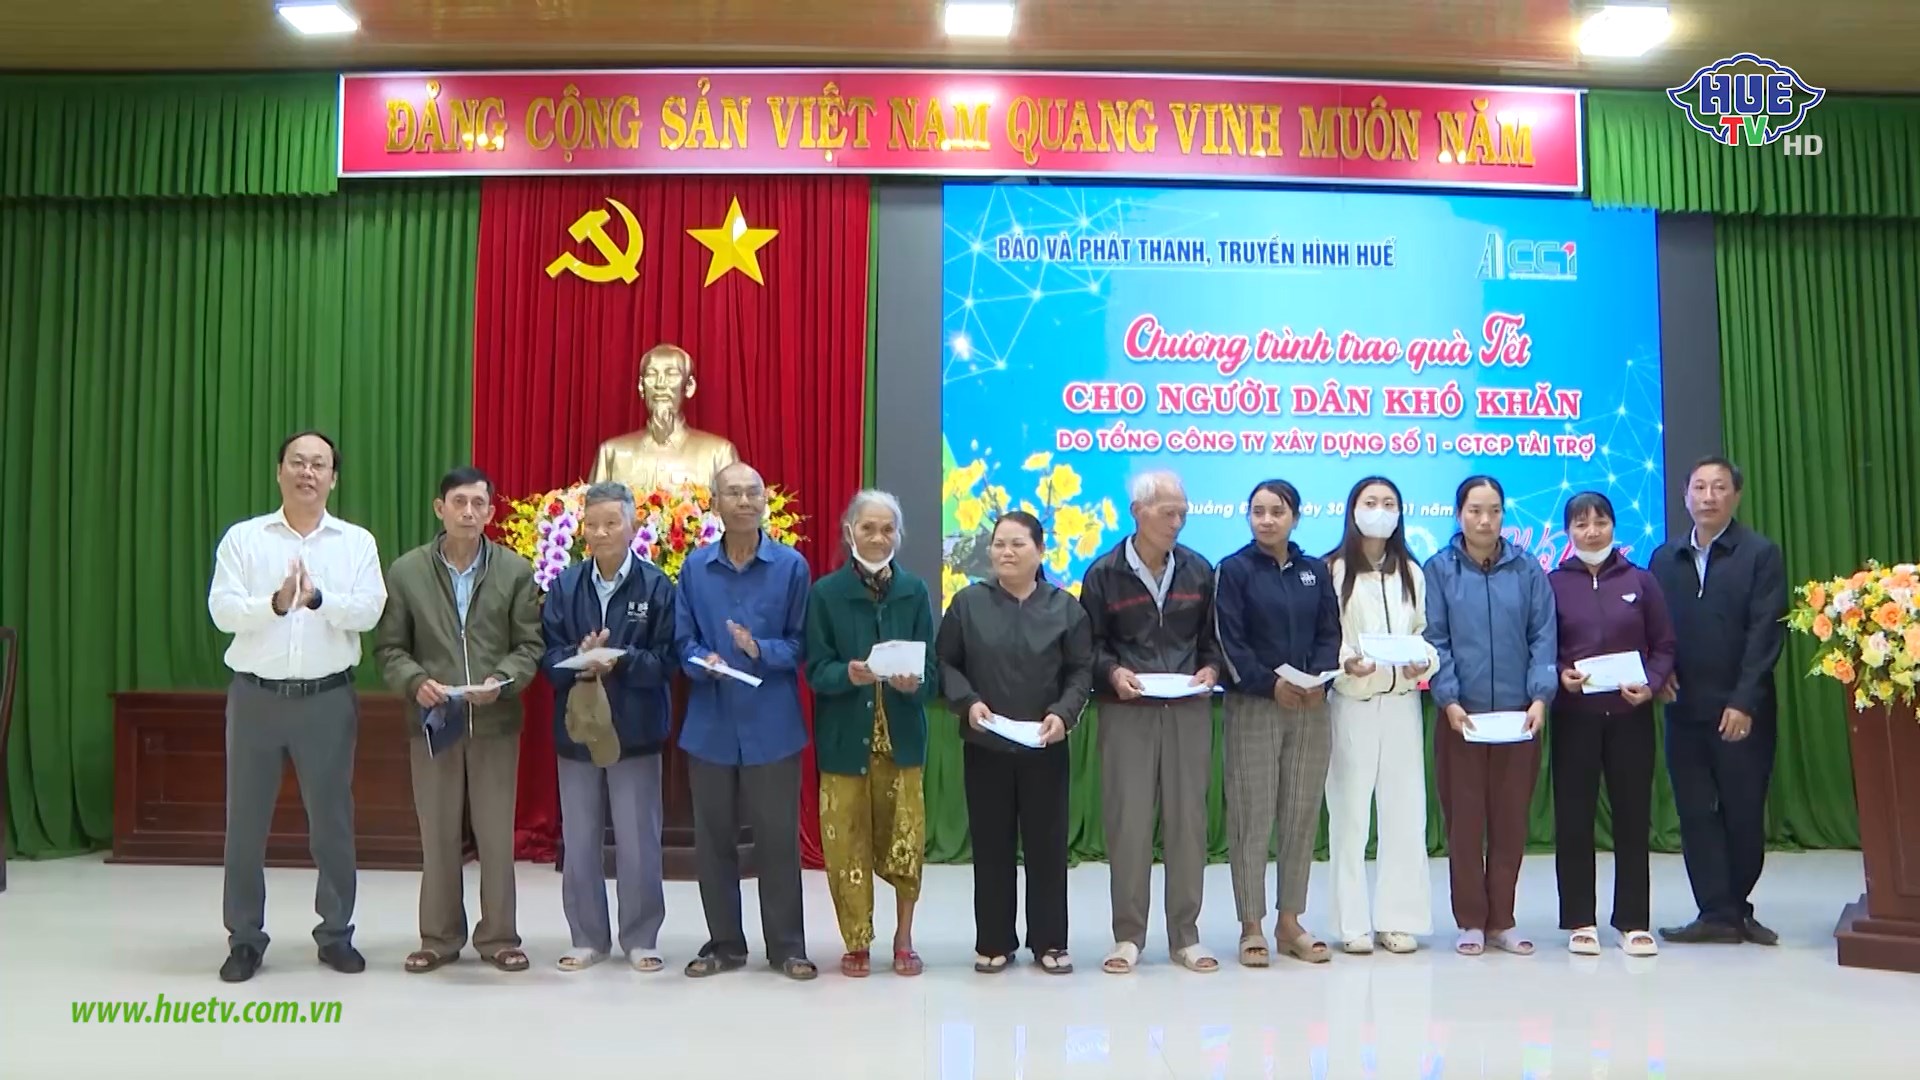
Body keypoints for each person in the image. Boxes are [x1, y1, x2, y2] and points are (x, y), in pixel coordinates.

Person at [206, 431, 387, 983]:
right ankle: (244, 939)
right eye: (298, 462)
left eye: (319, 465)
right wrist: (276, 603)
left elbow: (370, 610)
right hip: (256, 698)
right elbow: (222, 610)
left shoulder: (356, 543)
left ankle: (335, 934)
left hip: (326, 700)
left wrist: (318, 600)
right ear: (279, 471)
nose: (308, 472)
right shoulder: (245, 539)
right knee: (245, 824)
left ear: (334, 478)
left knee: (332, 823)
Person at [375, 466, 543, 974]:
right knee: (438, 835)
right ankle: (439, 938)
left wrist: (503, 680)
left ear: (490, 512)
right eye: (459, 502)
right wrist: (415, 682)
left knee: (496, 837)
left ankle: (499, 938)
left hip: (495, 722)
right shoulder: (407, 572)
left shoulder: (514, 571)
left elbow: (529, 646)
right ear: (440, 508)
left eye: (478, 504)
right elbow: (389, 648)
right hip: (434, 722)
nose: (469, 512)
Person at [1080, 469, 1226, 975]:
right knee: (1129, 825)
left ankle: (1186, 935)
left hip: (1187, 708)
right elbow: (1089, 646)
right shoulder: (1103, 573)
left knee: (1189, 823)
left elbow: (1212, 640)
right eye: (1168, 512)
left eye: (1183, 512)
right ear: (1138, 512)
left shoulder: (1198, 570)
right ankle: (1128, 936)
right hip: (1128, 711)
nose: (1178, 521)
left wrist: (1211, 669)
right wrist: (1112, 673)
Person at [674, 462, 816, 980]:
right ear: (715, 504)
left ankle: (787, 947)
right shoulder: (695, 568)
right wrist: (702, 660)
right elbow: (682, 642)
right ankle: (724, 945)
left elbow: (803, 644)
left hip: (771, 724)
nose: (744, 501)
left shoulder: (791, 567)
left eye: (753, 492)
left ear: (765, 502)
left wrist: (760, 649)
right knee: (713, 842)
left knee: (778, 842)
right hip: (710, 724)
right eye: (732, 493)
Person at [937, 511, 1093, 975]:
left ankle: (1050, 941)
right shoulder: (967, 604)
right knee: (991, 845)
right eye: (999, 544)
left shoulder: (1066, 608)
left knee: (1047, 847)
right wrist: (968, 702)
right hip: (987, 744)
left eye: (1018, 544)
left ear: (1040, 551)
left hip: (1045, 744)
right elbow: (946, 663)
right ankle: (994, 940)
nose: (1006, 552)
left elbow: (1080, 671)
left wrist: (1063, 714)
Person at [538, 481, 680, 972]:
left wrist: (621, 660)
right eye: (592, 524)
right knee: (579, 841)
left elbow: (668, 660)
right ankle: (587, 937)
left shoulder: (656, 587)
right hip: (578, 730)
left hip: (634, 731)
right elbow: (546, 655)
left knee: (638, 841)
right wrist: (578, 657)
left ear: (633, 527)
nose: (601, 533)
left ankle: (641, 937)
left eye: (611, 523)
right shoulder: (565, 585)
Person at [1650, 457, 1787, 946]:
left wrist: (1744, 701)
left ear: (1736, 495)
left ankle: (1737, 907)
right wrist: (1658, 674)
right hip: (1684, 708)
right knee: (1694, 813)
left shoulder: (1760, 554)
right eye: (1699, 487)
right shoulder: (1664, 559)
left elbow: (1766, 632)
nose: (1708, 497)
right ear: (1685, 495)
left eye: (1719, 487)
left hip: (1741, 711)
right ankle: (1713, 912)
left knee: (1743, 811)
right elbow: (1654, 629)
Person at [805, 490, 939, 978]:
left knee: (906, 841)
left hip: (902, 742)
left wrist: (914, 682)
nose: (878, 538)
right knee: (846, 844)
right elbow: (815, 670)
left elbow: (933, 673)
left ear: (898, 535)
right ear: (849, 532)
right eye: (868, 528)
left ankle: (904, 937)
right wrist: (848, 674)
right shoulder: (826, 593)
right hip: (845, 742)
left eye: (888, 529)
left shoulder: (914, 591)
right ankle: (856, 940)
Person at [1423, 474, 1557, 958]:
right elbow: (1435, 639)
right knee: (1464, 823)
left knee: (1510, 822)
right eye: (1475, 510)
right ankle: (1470, 921)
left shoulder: (1527, 568)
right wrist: (1449, 700)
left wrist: (1539, 698)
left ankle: (1502, 919)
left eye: (1494, 510)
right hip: (1462, 718)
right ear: (1459, 514)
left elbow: (1543, 635)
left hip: (1519, 719)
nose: (1485, 520)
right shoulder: (1439, 570)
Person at [1214, 479, 1341, 967]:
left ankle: (1290, 922)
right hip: (1255, 705)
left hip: (1310, 706)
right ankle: (1251, 925)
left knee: (1300, 815)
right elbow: (1229, 641)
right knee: (1252, 817)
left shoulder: (1314, 571)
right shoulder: (1234, 570)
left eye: (1277, 511)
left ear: (1295, 517)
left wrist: (1320, 680)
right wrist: (1270, 684)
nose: (1266, 520)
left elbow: (1330, 632)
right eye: (1258, 511)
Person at [1547, 491, 1676, 957]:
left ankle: (1633, 921)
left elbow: (1664, 645)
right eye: (1581, 524)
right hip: (1574, 717)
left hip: (1630, 717)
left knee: (1632, 817)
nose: (1591, 531)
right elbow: (1543, 645)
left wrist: (1652, 683)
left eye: (1600, 522)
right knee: (1574, 819)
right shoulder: (1553, 583)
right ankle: (1580, 920)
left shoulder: (1641, 581)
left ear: (1613, 526)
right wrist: (1561, 674)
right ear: (1568, 532)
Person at [1323, 476, 1439, 956]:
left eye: (1389, 502)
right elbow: (1327, 637)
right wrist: (1347, 662)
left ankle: (1398, 919)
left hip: (1402, 703)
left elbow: (1424, 633)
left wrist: (1422, 663)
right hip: (1353, 702)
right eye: (1370, 501)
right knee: (1350, 816)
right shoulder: (1333, 570)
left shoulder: (1411, 572)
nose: (1380, 510)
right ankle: (1351, 923)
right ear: (1353, 510)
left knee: (1405, 814)